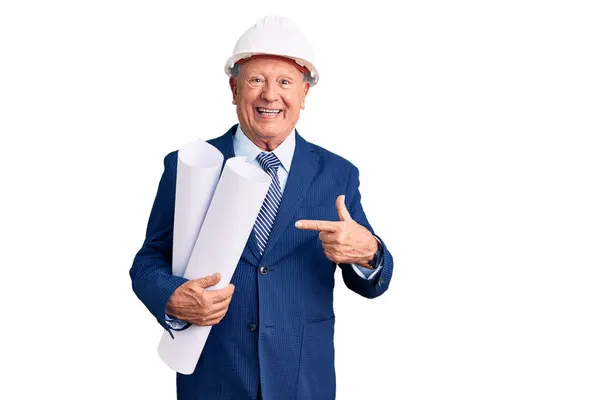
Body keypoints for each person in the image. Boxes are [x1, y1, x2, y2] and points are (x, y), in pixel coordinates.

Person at [130, 15, 394, 400]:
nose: (271, 95)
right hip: (214, 380)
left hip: (303, 381)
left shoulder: (337, 174)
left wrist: (368, 253)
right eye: (256, 80)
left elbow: (372, 282)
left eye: (285, 82)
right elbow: (148, 261)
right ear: (234, 88)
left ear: (304, 94)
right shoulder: (190, 164)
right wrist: (172, 297)